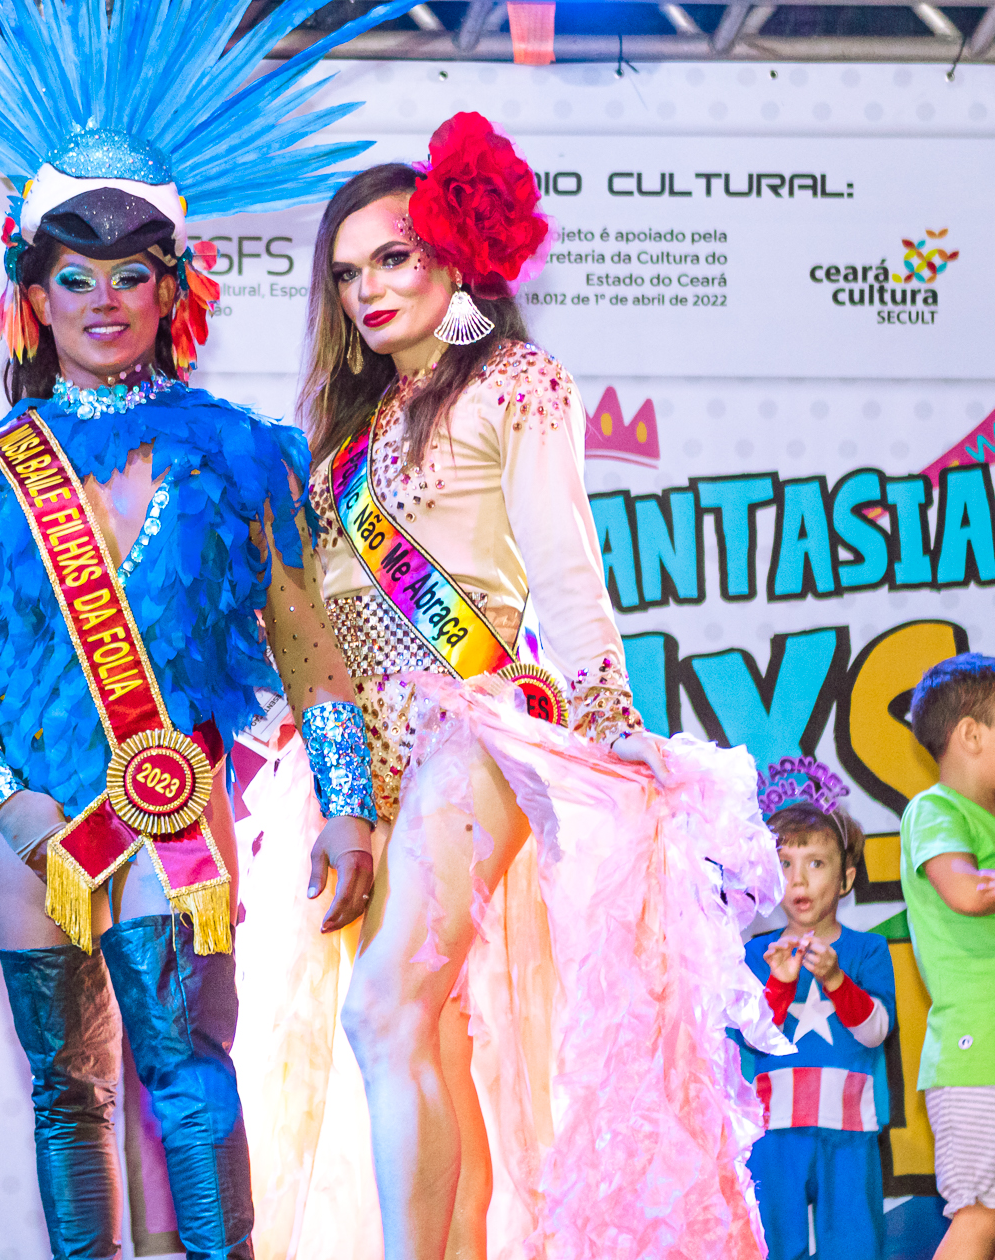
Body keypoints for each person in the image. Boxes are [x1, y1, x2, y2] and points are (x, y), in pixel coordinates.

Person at [0, 0, 499, 1250]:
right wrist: (14, 804)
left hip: (172, 800)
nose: (103, 301)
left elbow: (306, 643)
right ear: (34, 296)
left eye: (129, 275)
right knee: (68, 1091)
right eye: (74, 276)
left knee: (185, 1071)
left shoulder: (241, 456)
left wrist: (350, 807)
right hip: (30, 821)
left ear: (171, 289)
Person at [286, 115, 781, 1259]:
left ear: (456, 253)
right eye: (346, 273)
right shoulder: (350, 432)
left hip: (471, 723)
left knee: (383, 1011)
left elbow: (565, 568)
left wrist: (607, 719)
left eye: (392, 256)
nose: (366, 290)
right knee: (432, 1033)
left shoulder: (514, 381)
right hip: (370, 751)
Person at [743, 758, 894, 1260]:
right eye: (785, 864)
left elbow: (875, 1031)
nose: (799, 880)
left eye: (815, 863)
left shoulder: (868, 951)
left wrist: (834, 979)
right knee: (773, 1245)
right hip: (773, 1128)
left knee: (853, 1245)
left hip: (849, 1123)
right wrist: (781, 983)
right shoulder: (755, 955)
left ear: (846, 878)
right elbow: (752, 1037)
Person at [901, 652, 995, 1260]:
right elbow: (966, 891)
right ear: (971, 735)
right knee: (981, 1218)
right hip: (975, 1055)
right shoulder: (935, 810)